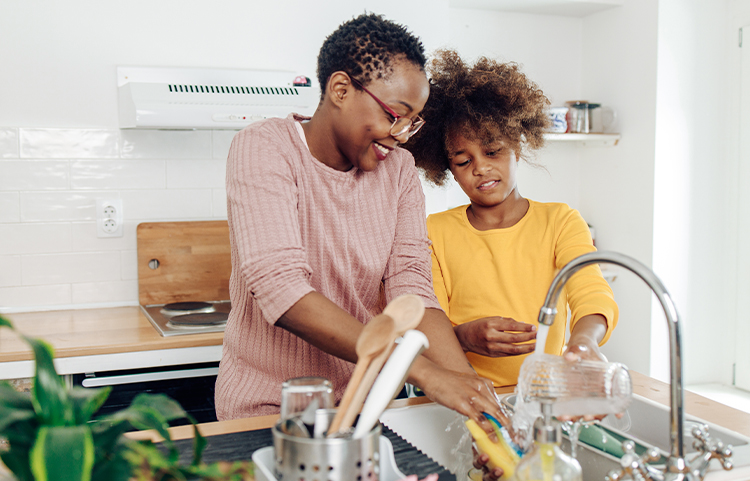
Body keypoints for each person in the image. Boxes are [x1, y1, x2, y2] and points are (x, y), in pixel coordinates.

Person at [215, 15, 502, 434]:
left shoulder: (400, 171)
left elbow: (412, 291)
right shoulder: (264, 147)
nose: (401, 134)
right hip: (267, 412)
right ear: (341, 89)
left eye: (412, 121)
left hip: (361, 410)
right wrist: (422, 371)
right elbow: (282, 289)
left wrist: (477, 404)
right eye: (394, 115)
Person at [404, 50, 619, 477]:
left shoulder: (559, 220)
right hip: (463, 396)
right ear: (446, 167)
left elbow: (590, 291)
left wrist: (586, 342)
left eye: (493, 150)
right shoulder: (435, 231)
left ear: (517, 144)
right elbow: (428, 318)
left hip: (543, 402)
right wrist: (464, 335)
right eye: (463, 161)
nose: (481, 168)